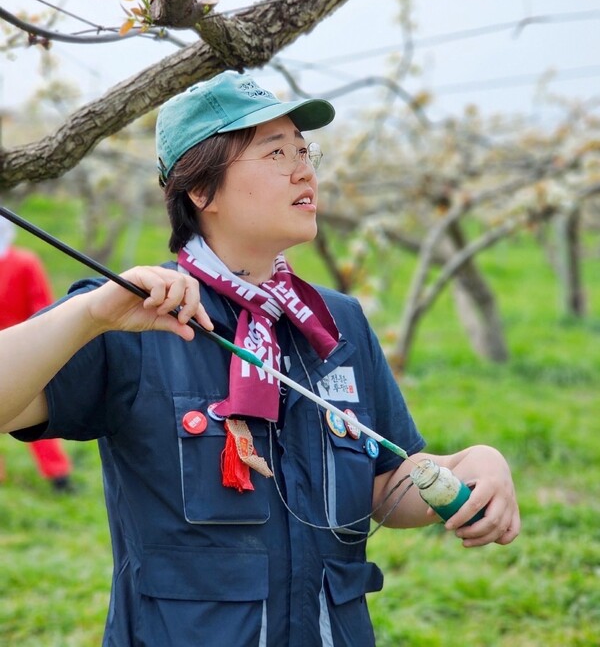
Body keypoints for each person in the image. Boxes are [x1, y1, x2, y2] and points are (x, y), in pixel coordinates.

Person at [0, 72, 520, 647]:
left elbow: (383, 482)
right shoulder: (133, 315)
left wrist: (471, 465)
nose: (305, 170)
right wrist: (88, 317)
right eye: (277, 153)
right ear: (201, 191)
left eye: (305, 150)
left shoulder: (336, 322)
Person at [0, 217, 73, 492]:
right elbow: (42, 304)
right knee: (34, 408)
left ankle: (57, 474)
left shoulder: (24, 263)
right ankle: (58, 476)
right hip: (26, 348)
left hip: (20, 347)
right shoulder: (25, 262)